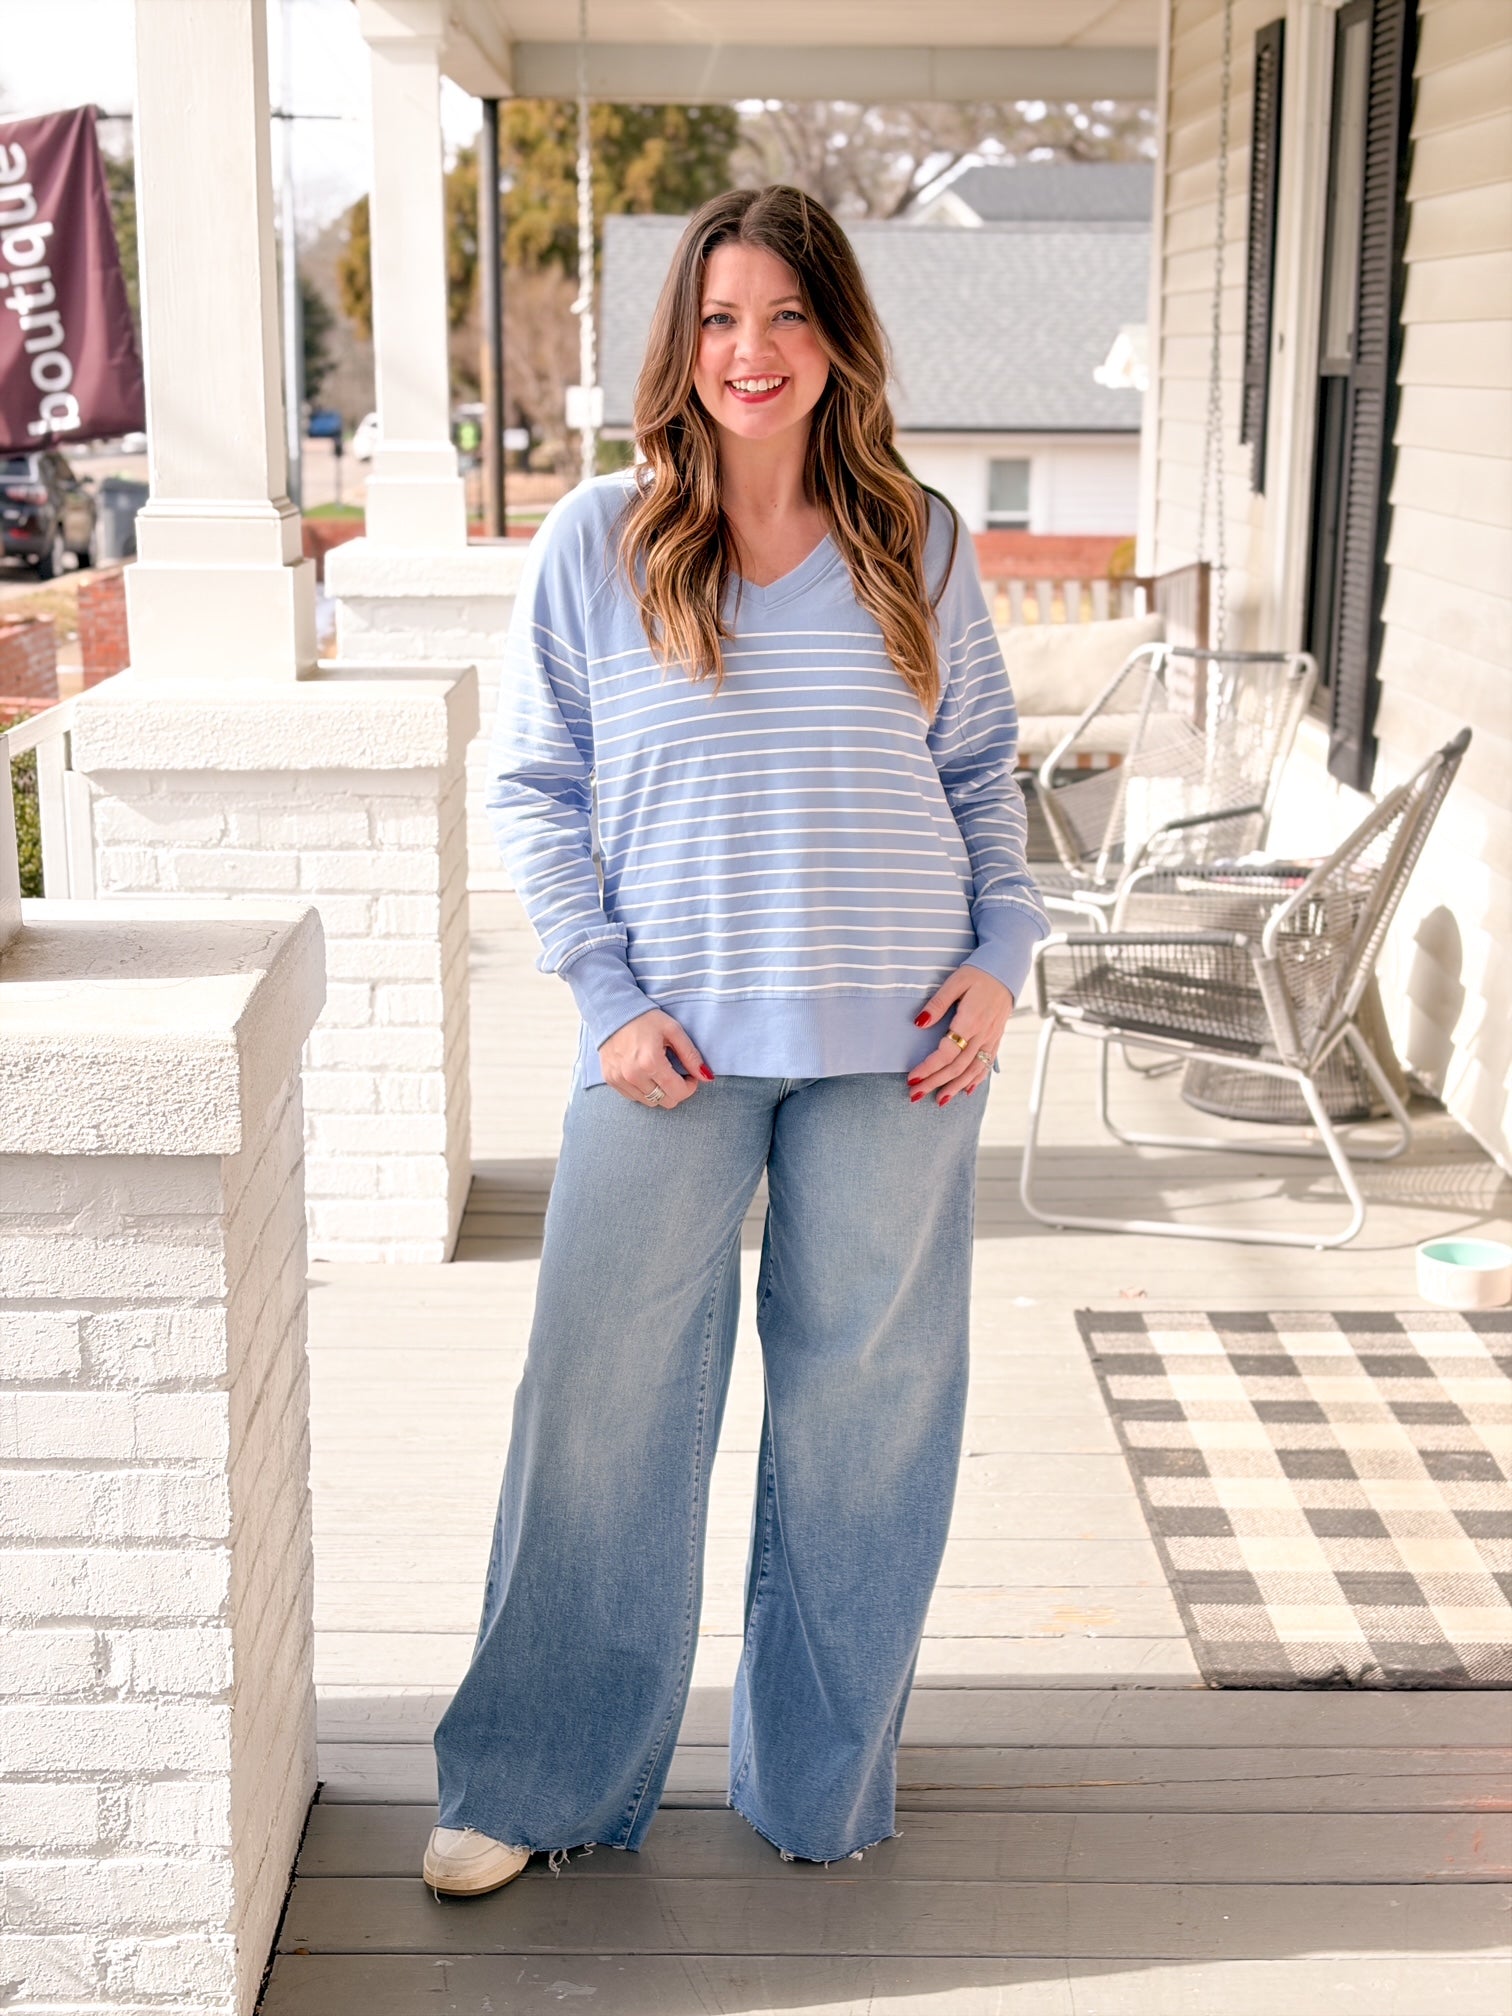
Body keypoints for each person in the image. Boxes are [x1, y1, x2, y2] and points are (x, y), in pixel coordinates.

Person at [424, 184, 1048, 1896]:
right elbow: (540, 791)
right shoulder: (601, 541)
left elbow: (981, 769)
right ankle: (536, 1781)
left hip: (904, 1043)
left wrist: (1003, 957)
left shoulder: (916, 534)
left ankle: (818, 1782)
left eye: (783, 316)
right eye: (717, 319)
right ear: (678, 346)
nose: (750, 351)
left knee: (868, 1424)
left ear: (835, 337)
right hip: (664, 1052)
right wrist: (604, 998)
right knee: (602, 1413)